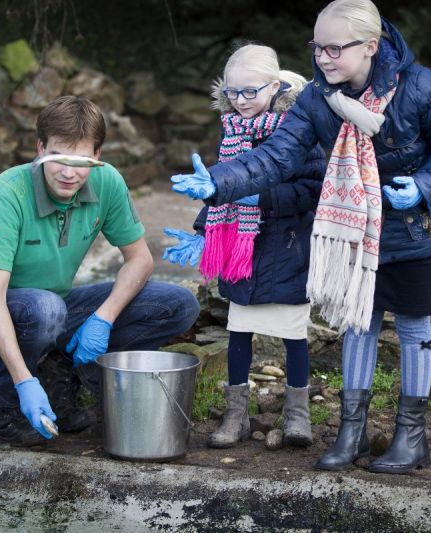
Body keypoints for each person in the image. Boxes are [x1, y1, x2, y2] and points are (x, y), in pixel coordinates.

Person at [171, 0, 431, 473]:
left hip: (412, 228)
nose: (324, 57)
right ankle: (350, 433)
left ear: (371, 46)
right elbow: (277, 157)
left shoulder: (418, 87)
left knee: (413, 326)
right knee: (359, 324)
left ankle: (411, 437)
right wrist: (219, 183)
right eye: (318, 47)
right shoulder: (315, 99)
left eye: (336, 48)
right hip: (351, 230)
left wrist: (423, 187)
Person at [0, 95, 200, 446]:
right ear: (40, 149)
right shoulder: (5, 194)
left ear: (97, 155)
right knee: (44, 310)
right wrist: (24, 382)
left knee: (177, 303)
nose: (69, 172)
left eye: (81, 159)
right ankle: (4, 401)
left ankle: (61, 375)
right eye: (59, 157)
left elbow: (140, 259)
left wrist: (104, 318)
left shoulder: (107, 182)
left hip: (53, 306)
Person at [164, 44, 326, 449]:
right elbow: (220, 187)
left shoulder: (300, 128)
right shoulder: (232, 129)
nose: (240, 102)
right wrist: (203, 232)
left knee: (293, 335)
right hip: (242, 250)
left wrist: (264, 199)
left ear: (274, 86)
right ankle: (236, 414)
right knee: (238, 331)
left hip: (289, 248)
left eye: (250, 92)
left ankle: (297, 416)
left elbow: (312, 189)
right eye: (232, 93)